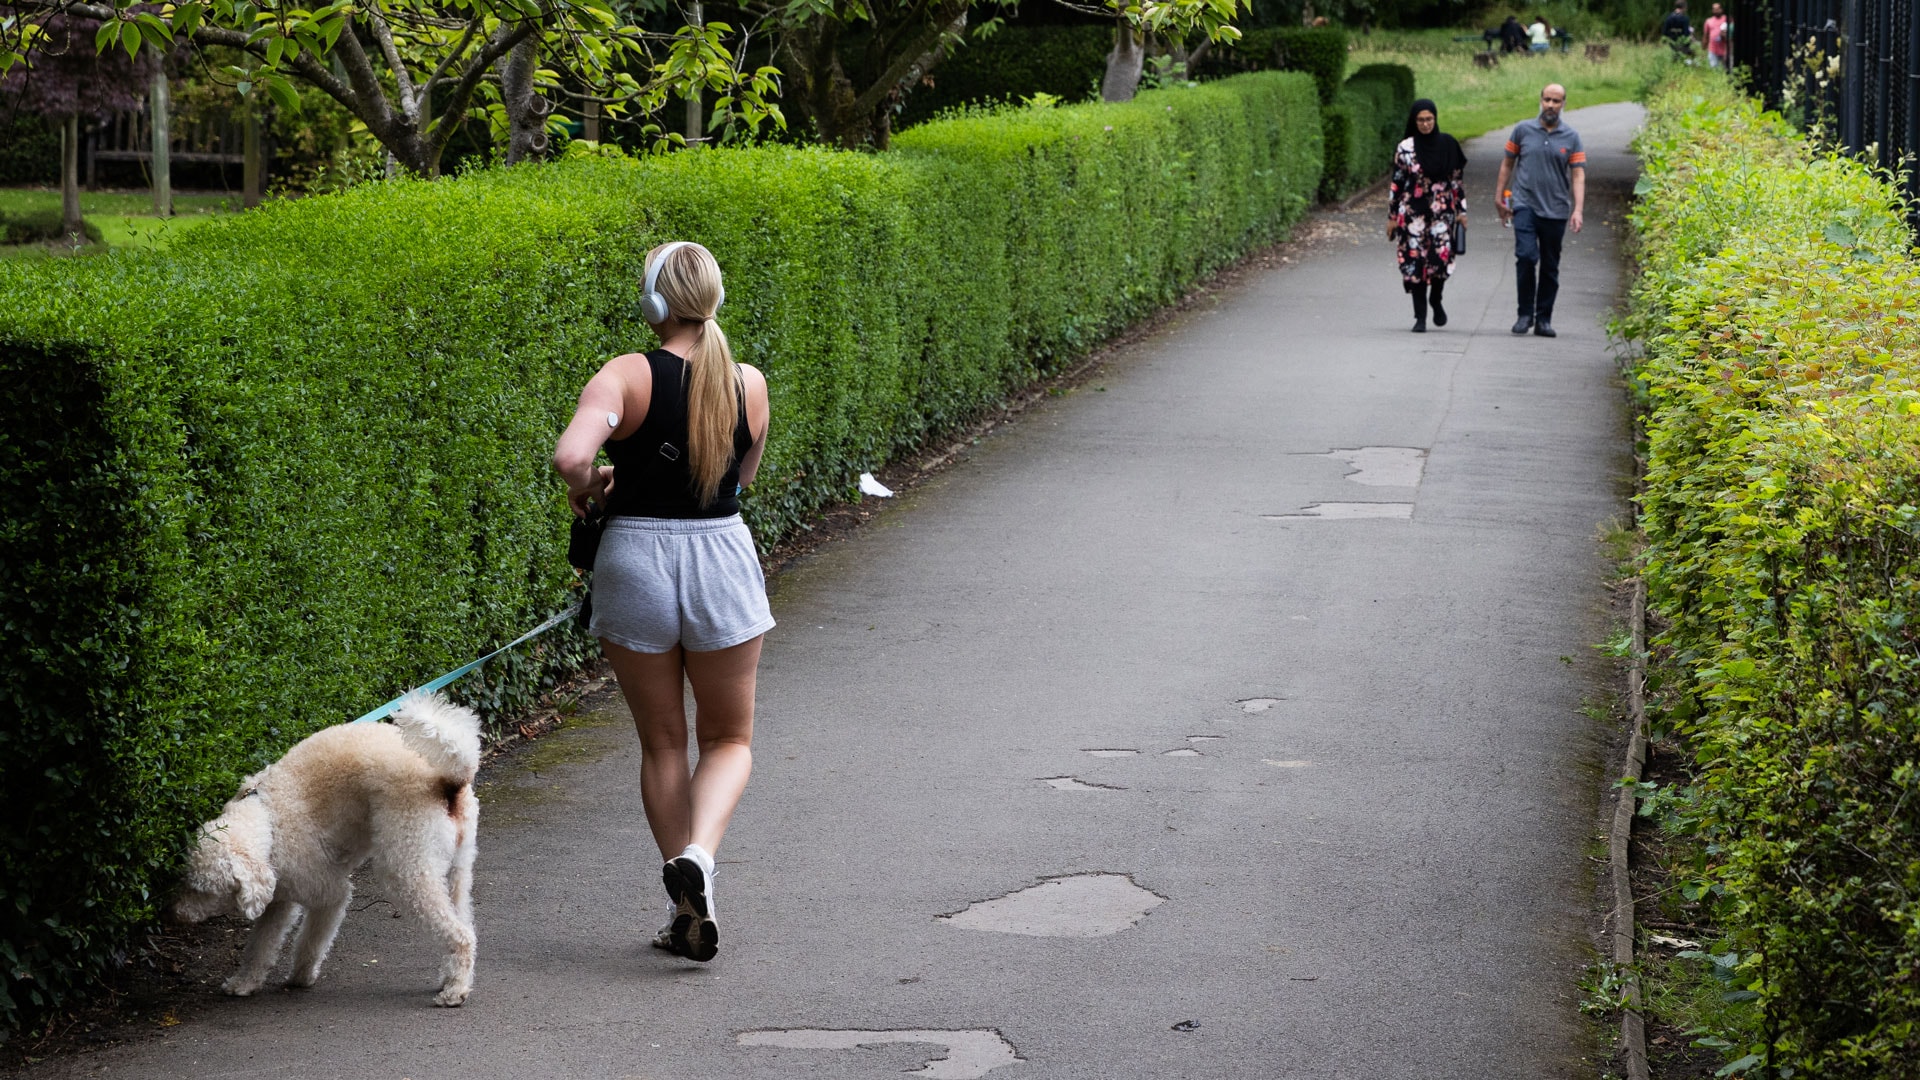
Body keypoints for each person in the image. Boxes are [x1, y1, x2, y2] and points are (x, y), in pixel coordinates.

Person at [552, 241, 774, 963]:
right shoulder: (748, 383)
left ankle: (686, 899)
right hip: (720, 555)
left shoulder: (626, 373)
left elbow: (570, 460)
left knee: (664, 743)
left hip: (636, 561)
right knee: (730, 740)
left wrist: (593, 489)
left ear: (653, 301)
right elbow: (736, 481)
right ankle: (701, 861)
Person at [1494, 84, 1585, 338]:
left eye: (1556, 101)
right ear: (1540, 101)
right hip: (1525, 205)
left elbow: (1578, 174)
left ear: (1564, 104)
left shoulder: (1571, 136)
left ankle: (1543, 319)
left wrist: (1578, 209)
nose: (1551, 105)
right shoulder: (1523, 131)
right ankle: (1525, 314)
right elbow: (1507, 163)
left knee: (1549, 265)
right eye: (1547, 99)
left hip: (1555, 210)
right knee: (1525, 256)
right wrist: (1499, 195)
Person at [1386, 99, 1467, 334]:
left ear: (1435, 119)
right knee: (1415, 261)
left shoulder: (1448, 144)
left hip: (1442, 211)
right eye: (1420, 120)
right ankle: (1420, 316)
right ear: (1414, 121)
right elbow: (1397, 182)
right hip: (1413, 212)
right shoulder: (1406, 148)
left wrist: (1462, 212)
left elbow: (1456, 182)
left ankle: (1436, 299)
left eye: (1429, 119)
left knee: (1440, 259)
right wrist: (1392, 216)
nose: (1425, 124)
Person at [1703, 3, 1729, 69]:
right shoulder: (1709, 21)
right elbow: (1706, 35)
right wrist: (1704, 47)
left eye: (1718, 9)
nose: (1716, 11)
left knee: (1726, 69)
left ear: (1721, 9)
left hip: (1725, 49)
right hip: (1713, 49)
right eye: (1714, 9)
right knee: (1714, 68)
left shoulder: (1726, 19)